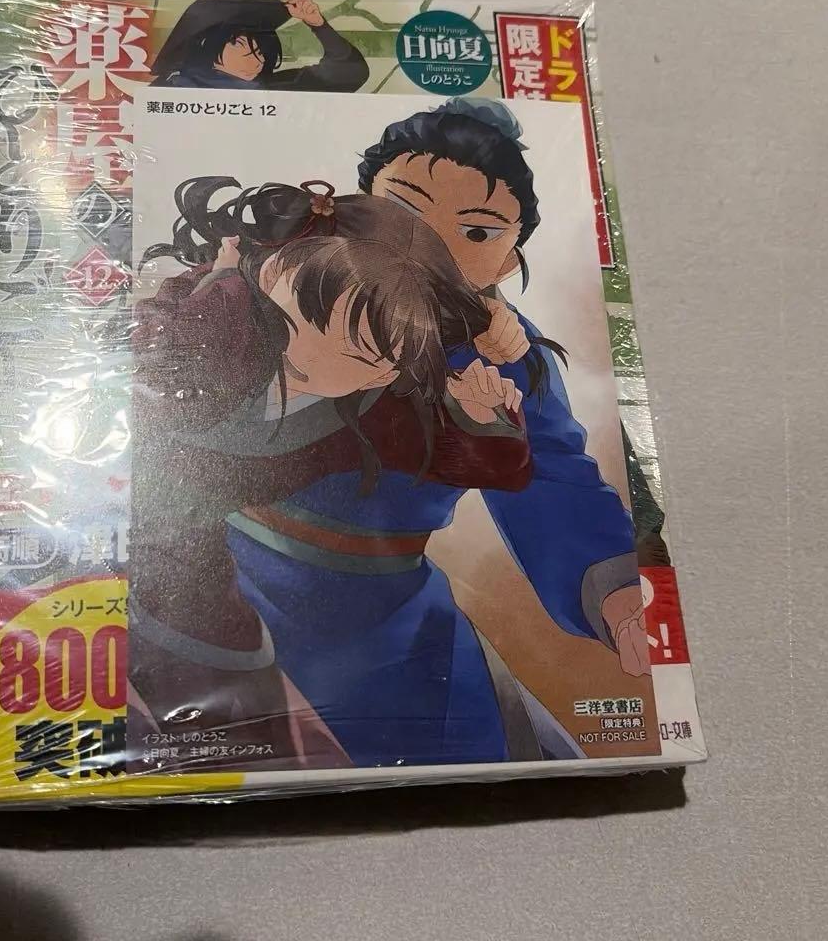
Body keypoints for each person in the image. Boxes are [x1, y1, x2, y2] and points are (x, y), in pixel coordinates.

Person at [226, 100, 652, 767]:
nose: (429, 244)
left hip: (383, 619)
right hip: (218, 568)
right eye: (405, 210)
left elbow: (550, 477)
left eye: (477, 232)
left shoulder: (505, 356)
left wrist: (617, 590)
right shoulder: (283, 276)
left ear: (507, 261)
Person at [126, 178, 531, 771]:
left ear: (385, 370)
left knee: (224, 675)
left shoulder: (373, 403)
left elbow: (477, 465)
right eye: (301, 321)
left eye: (358, 355)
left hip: (204, 552)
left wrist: (478, 417)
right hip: (139, 502)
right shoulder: (227, 317)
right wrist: (226, 282)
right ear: (270, 274)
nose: (312, 355)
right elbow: (153, 356)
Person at [149, 0, 368, 92]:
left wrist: (318, 25)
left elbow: (349, 74)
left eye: (261, 52)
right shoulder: (172, 87)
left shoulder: (274, 87)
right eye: (239, 45)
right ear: (206, 44)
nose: (256, 61)